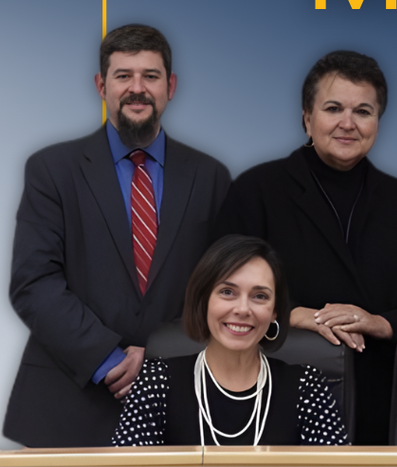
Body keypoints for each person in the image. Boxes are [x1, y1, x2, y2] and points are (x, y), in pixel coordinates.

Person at [214, 50, 397, 444]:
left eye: (363, 111)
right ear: (306, 118)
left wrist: (380, 323)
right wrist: (293, 314)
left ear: (377, 122)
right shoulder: (256, 190)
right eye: (333, 109)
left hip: (383, 404)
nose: (348, 123)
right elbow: (217, 289)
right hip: (275, 398)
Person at [3, 24, 230, 447]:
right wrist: (107, 358)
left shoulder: (211, 177)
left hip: (176, 403)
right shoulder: (52, 170)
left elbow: (221, 288)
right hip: (65, 407)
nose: (137, 88)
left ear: (171, 87)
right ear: (101, 85)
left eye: (151, 76)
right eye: (123, 75)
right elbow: (33, 283)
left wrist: (158, 353)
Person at [113, 235, 347, 445]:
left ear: (275, 312)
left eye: (260, 296)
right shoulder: (157, 381)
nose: (243, 309)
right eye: (227, 292)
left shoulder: (307, 385)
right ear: (203, 300)